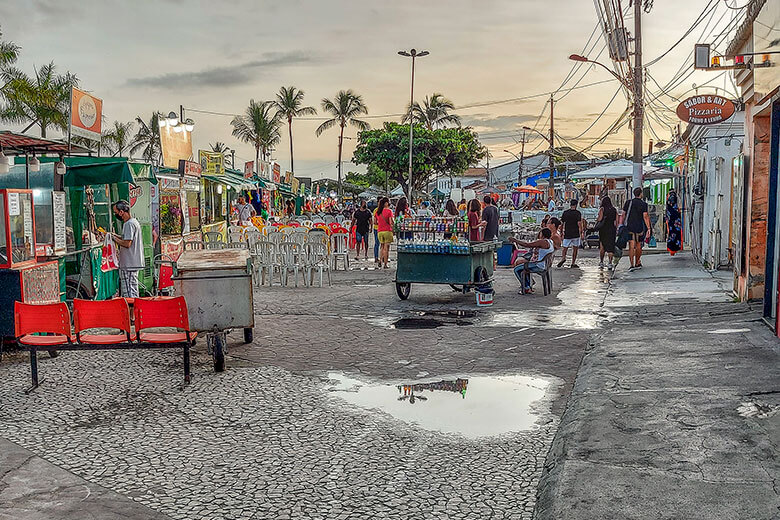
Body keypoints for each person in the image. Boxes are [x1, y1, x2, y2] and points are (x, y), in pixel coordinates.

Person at [111, 200, 144, 299]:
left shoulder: (128, 224)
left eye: (116, 212)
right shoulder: (134, 222)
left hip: (129, 264)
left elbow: (127, 243)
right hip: (132, 263)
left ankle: (132, 312)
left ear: (121, 212)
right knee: (132, 289)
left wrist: (114, 239)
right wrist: (116, 236)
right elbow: (126, 238)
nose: (115, 214)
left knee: (130, 293)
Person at [509, 228, 555, 294]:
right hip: (544, 265)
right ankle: (528, 284)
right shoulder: (550, 242)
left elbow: (527, 245)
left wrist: (515, 240)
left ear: (543, 234)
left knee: (517, 269)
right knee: (522, 267)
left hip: (538, 265)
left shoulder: (542, 242)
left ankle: (526, 287)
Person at [620, 187, 652, 271]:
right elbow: (645, 216)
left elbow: (623, 214)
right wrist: (648, 228)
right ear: (641, 194)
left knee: (631, 245)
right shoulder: (643, 204)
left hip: (629, 226)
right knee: (638, 245)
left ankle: (631, 264)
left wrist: (621, 224)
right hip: (639, 227)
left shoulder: (628, 202)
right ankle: (637, 262)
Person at [557, 199, 584, 268]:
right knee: (575, 248)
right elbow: (579, 223)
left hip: (567, 232)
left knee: (565, 247)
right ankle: (573, 263)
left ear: (570, 205)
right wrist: (582, 232)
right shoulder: (578, 213)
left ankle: (563, 258)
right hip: (575, 233)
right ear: (576, 205)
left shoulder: (565, 213)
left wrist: (561, 232)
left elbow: (562, 223)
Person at [596, 196, 617, 271]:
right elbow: (616, 221)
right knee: (611, 246)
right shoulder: (614, 210)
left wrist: (597, 219)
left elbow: (600, 219)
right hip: (611, 229)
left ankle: (601, 262)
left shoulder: (602, 209)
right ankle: (610, 263)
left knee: (602, 246)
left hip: (603, 229)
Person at [376, 197, 394, 269]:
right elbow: (390, 222)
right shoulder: (389, 211)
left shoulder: (378, 211)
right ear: (386, 203)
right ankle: (385, 264)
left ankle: (380, 260)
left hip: (380, 231)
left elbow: (375, 222)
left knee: (382, 247)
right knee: (386, 248)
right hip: (387, 231)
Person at [665, 190, 682, 256]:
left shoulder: (669, 200)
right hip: (675, 220)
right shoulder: (674, 198)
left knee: (671, 234)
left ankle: (672, 249)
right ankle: (674, 249)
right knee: (676, 235)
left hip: (671, 221)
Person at [372, 199, 381, 264]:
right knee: (378, 244)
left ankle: (380, 257)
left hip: (378, 228)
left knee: (379, 244)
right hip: (377, 228)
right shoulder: (376, 210)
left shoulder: (377, 210)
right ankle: (376, 257)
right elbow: (375, 222)